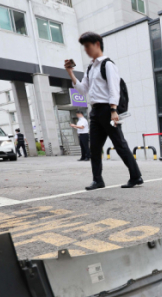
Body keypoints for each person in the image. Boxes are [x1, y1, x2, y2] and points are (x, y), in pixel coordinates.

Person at [64, 32, 143, 190]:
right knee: (94, 147)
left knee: (119, 144)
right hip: (95, 112)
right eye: (84, 47)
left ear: (97, 44)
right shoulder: (90, 68)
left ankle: (136, 176)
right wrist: (70, 73)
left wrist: (114, 111)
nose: (86, 50)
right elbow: (82, 90)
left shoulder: (108, 65)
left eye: (87, 46)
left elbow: (114, 90)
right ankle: (98, 180)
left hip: (108, 110)